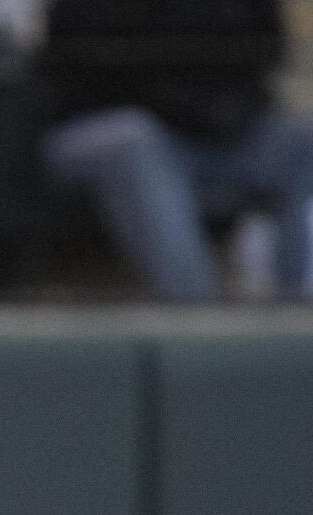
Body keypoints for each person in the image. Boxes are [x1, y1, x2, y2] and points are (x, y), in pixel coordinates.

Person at [39, 0, 313, 301]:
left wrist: (223, 112)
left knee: (304, 141)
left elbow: (265, 50)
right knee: (135, 137)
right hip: (100, 128)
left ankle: (299, 319)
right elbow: (78, 62)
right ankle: (197, 323)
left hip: (220, 134)